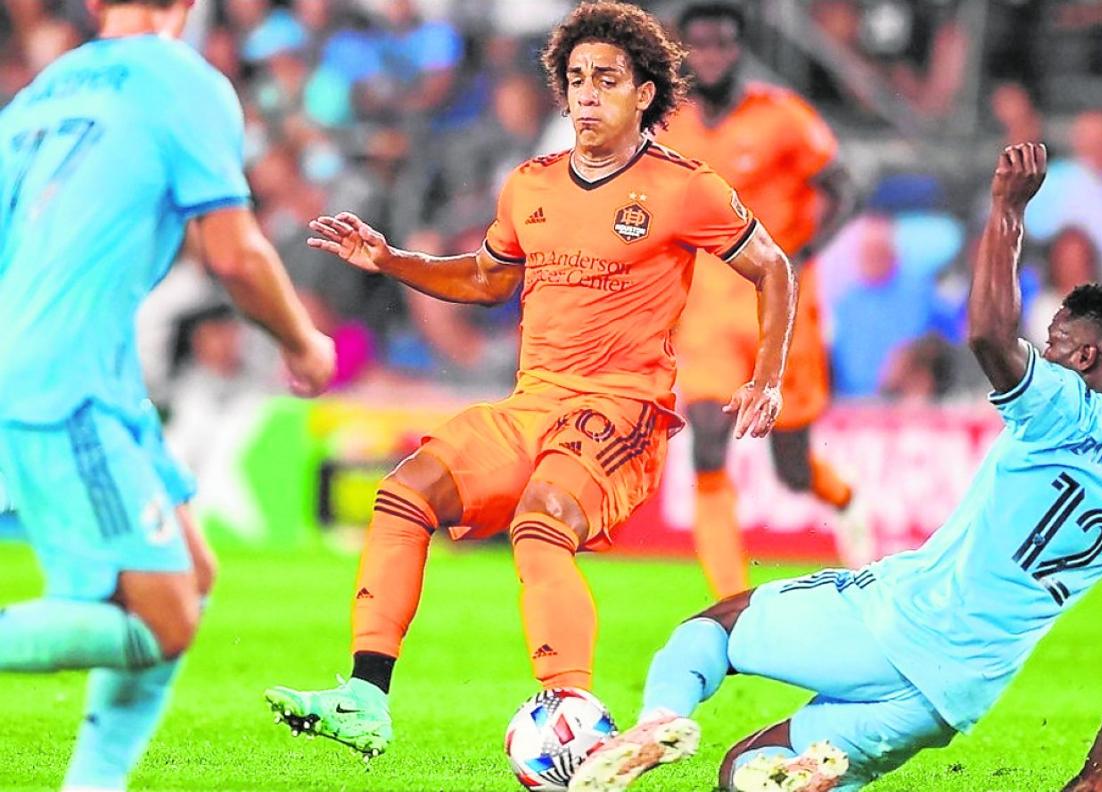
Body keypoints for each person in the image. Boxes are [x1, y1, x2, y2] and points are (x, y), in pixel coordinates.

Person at [264, 0, 797, 760]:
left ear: (644, 93)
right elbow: (486, 278)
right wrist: (392, 262)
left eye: (605, 79)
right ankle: (364, 697)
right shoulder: (531, 185)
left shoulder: (687, 188)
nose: (586, 94)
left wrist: (766, 376)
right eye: (576, 78)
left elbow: (771, 266)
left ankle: (575, 711)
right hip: (533, 402)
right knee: (403, 492)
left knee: (541, 523)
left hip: (621, 410)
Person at [570, 143, 1102, 792]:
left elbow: (989, 337)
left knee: (711, 631)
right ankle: (806, 771)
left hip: (898, 619)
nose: (1043, 355)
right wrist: (1097, 773)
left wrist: (1006, 210)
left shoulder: (1063, 406)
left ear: (1085, 357)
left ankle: (658, 721)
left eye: (1053, 343)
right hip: (954, 696)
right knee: (744, 773)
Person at [0, 0, 336, 790]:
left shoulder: (41, 95)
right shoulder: (185, 83)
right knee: (162, 616)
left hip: (78, 364)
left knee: (193, 571)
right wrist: (300, 340)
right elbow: (233, 252)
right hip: (67, 372)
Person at [657, 1, 851, 598]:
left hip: (781, 304)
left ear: (738, 49)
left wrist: (807, 249)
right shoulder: (666, 123)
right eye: (701, 46)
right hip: (709, 305)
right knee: (708, 439)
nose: (712, 56)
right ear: (683, 53)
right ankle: (731, 602)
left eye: (723, 44)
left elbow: (843, 187)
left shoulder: (782, 117)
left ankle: (847, 499)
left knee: (790, 468)